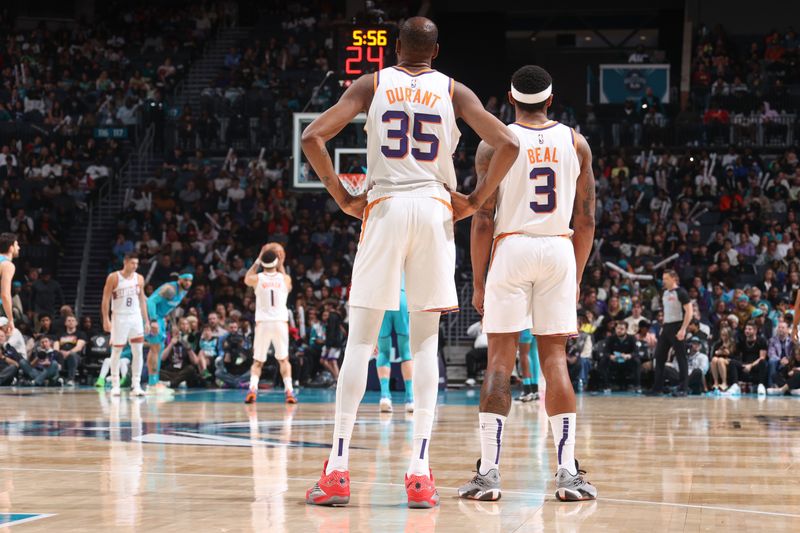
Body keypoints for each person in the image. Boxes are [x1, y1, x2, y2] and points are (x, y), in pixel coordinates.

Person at [301, 16, 519, 509]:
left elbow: (313, 136)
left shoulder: (371, 82)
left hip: (385, 203)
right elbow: (508, 142)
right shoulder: (454, 89)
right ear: (436, 50)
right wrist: (476, 200)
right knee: (424, 346)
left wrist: (341, 195)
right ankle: (419, 473)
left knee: (360, 340)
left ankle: (337, 471)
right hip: (435, 207)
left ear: (396, 47)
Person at [458, 64, 596, 502]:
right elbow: (587, 219)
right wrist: (575, 274)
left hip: (512, 246)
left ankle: (490, 474)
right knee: (554, 361)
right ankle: (568, 473)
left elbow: (482, 219)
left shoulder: (493, 143)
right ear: (551, 100)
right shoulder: (576, 142)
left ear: (510, 100)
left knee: (500, 361)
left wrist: (479, 282)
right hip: (558, 247)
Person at [243, 244, 296, 404]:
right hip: (280, 323)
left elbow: (246, 278)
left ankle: (252, 389)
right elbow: (288, 284)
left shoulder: (257, 278)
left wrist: (258, 259)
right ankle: (289, 392)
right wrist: (281, 264)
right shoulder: (285, 279)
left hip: (263, 323)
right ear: (276, 262)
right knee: (283, 360)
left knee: (258, 361)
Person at [101, 253, 150, 396]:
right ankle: (115, 384)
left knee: (138, 351)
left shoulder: (139, 278)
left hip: (135, 317)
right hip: (119, 317)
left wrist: (146, 320)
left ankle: (136, 385)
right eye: (132, 263)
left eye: (137, 264)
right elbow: (105, 299)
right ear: (125, 262)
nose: (135, 266)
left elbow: (142, 301)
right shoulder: (113, 277)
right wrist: (106, 319)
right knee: (116, 351)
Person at [145, 272, 193, 393]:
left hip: (161, 319)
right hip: (152, 317)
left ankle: (154, 382)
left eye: (190, 281)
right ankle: (152, 385)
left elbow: (171, 307)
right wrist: (153, 321)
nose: (188, 283)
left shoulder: (184, 291)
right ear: (179, 279)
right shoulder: (170, 289)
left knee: (158, 349)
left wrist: (174, 324)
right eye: (185, 280)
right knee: (155, 349)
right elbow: (150, 301)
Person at [648, 270, 693, 396]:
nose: (664, 281)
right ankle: (657, 388)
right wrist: (663, 327)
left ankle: (683, 388)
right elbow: (667, 312)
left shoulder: (682, 292)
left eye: (666, 279)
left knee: (681, 357)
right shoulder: (665, 293)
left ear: (674, 279)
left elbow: (689, 312)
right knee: (659, 356)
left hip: (678, 326)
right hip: (666, 327)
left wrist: (683, 329)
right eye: (663, 279)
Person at [377, 278, 414, 413]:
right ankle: (410, 399)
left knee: (383, 351)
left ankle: (385, 396)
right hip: (402, 296)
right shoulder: (407, 256)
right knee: (406, 352)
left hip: (382, 298)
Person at [599, 321, 640, 393]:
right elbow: (605, 352)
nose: (619, 330)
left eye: (621, 329)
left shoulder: (631, 338)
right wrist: (610, 356)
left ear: (626, 330)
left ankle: (637, 385)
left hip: (626, 360)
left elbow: (636, 352)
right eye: (617, 328)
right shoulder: (610, 338)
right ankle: (606, 385)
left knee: (636, 361)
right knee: (603, 361)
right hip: (614, 360)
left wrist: (629, 355)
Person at [55, 315, 88, 387]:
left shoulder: (81, 334)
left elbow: (79, 347)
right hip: (61, 355)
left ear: (76, 323)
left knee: (72, 355)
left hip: (76, 356)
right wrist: (61, 352)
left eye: (73, 321)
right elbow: (56, 347)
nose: (71, 322)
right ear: (65, 323)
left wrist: (68, 352)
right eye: (69, 321)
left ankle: (71, 379)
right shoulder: (60, 334)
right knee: (56, 354)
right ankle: (58, 378)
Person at [0, 233, 20, 334]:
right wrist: (10, 319)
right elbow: (5, 294)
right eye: (17, 245)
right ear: (11, 247)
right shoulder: (7, 265)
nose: (19, 247)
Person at [516, 329, 540, 402]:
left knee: (523, 354)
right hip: (535, 325)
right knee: (533, 354)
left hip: (525, 325)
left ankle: (527, 391)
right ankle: (535, 391)